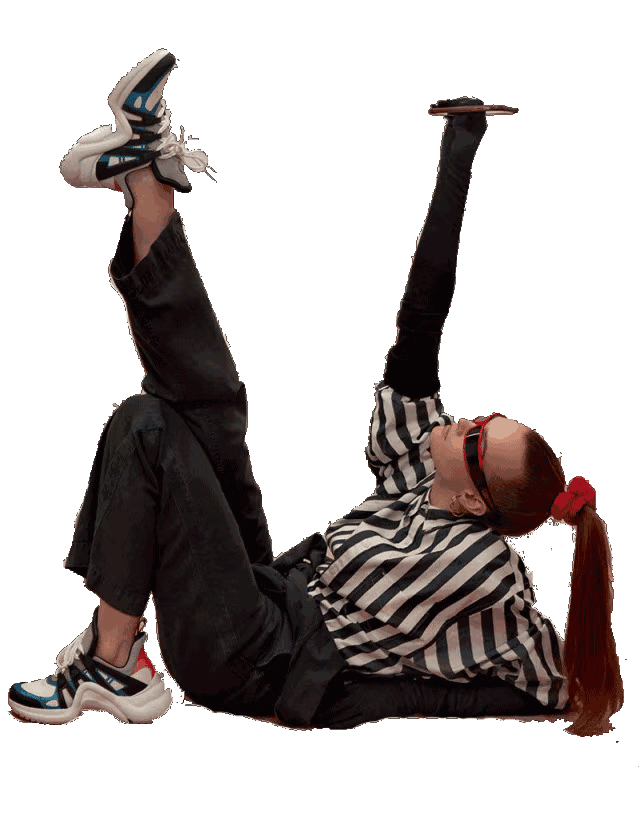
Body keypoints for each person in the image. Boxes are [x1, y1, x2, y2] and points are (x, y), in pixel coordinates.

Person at [9, 50, 622, 735]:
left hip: (249, 658)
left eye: (479, 438)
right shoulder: (422, 470)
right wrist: (461, 146)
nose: (467, 421)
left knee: (146, 424)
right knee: (213, 405)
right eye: (487, 417)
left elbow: (557, 690)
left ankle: (111, 661)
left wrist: (381, 702)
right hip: (267, 589)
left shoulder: (486, 576)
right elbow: (423, 317)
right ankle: (148, 175)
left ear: (477, 500)